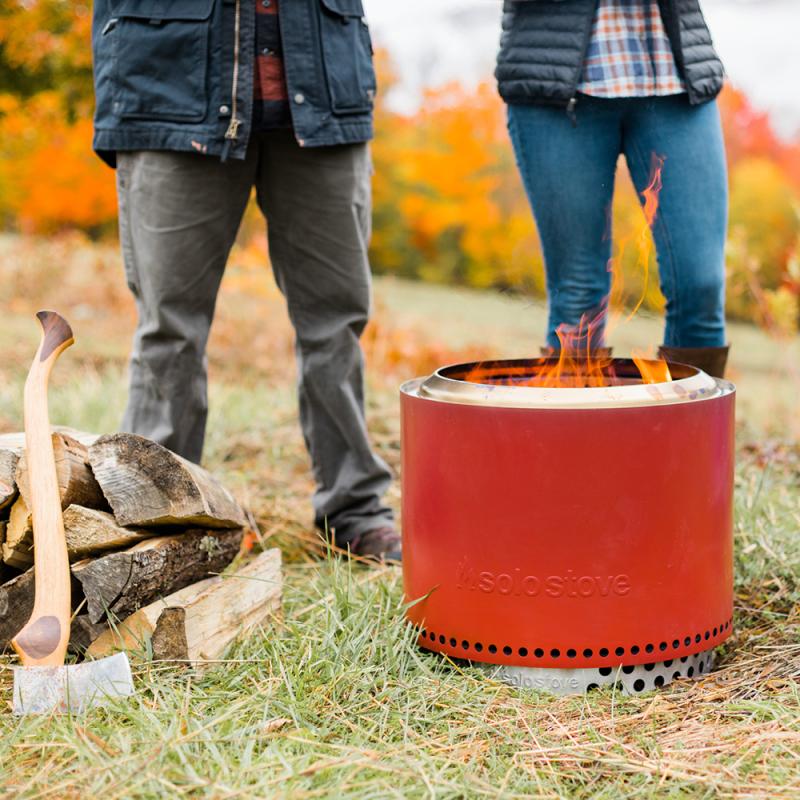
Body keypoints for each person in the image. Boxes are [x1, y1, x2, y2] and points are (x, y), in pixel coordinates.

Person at [91, 0, 400, 562]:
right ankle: (155, 515)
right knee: (170, 327)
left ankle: (354, 511)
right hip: (168, 92)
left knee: (336, 323)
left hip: (325, 94)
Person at [496, 0, 730, 377]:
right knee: (578, 296)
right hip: (556, 86)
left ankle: (691, 436)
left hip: (675, 77)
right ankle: (577, 435)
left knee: (700, 285)